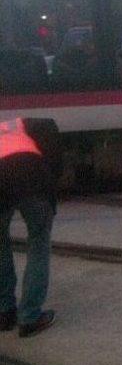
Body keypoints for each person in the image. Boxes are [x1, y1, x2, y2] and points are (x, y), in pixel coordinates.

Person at [0, 117, 62, 337]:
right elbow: (54, 160)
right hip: (32, 179)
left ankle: (5, 313)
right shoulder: (39, 125)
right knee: (38, 244)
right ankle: (30, 318)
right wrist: (52, 191)